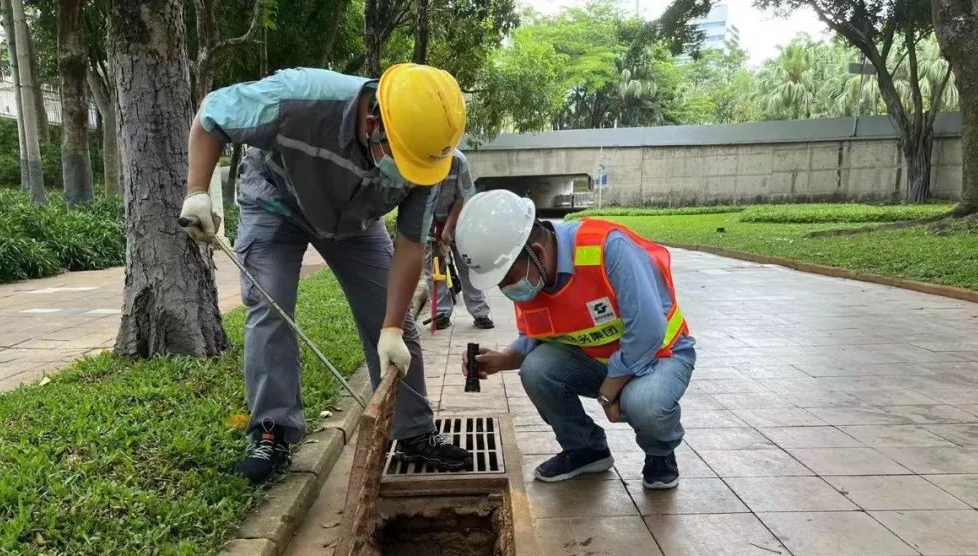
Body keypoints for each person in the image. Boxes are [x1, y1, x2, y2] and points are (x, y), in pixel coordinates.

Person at [180, 64, 471, 485]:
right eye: (402, 161)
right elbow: (212, 115)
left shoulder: (430, 159)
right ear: (373, 123)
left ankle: (414, 432)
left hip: (355, 222)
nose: (409, 176)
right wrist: (197, 193)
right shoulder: (298, 97)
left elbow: (410, 245)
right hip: (276, 203)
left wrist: (389, 326)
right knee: (271, 308)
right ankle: (272, 432)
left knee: (394, 322)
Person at [455, 190, 695, 488]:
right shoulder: (533, 275)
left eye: (506, 278)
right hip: (599, 362)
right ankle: (586, 449)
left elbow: (648, 333)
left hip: (661, 356)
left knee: (644, 402)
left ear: (538, 254)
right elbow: (534, 339)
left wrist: (609, 392)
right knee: (536, 368)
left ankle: (660, 453)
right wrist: (503, 359)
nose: (507, 289)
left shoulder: (608, 248)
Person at [423, 149, 493, 330]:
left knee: (467, 265)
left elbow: (462, 198)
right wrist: (431, 230)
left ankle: (480, 312)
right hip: (429, 221)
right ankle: (441, 313)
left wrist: (447, 229)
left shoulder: (457, 160)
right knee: (434, 270)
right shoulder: (420, 157)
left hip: (462, 219)